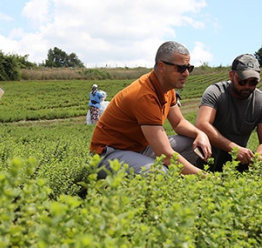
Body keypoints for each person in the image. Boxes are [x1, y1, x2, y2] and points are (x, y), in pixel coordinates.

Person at [90, 41, 211, 176]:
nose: (187, 73)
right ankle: (170, 184)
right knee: (160, 174)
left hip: (139, 149)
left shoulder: (167, 88)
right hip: (108, 155)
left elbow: (178, 123)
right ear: (161, 66)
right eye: (181, 68)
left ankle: (175, 183)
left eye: (189, 68)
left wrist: (200, 134)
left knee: (193, 142)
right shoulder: (145, 95)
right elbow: (165, 155)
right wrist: (205, 177)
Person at [195, 54, 262, 172]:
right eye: (242, 81)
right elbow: (202, 124)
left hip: (237, 159)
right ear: (231, 75)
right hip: (209, 152)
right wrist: (234, 149)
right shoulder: (216, 92)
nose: (247, 86)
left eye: (253, 82)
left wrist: (256, 157)